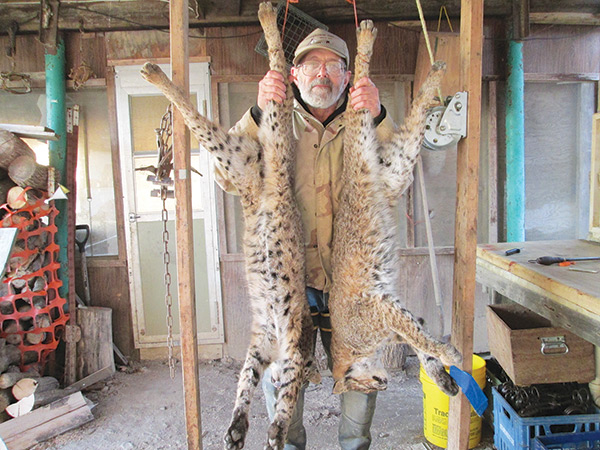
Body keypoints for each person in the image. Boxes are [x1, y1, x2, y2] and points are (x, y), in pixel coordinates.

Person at [215, 28, 396, 450]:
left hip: (351, 288)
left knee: (359, 384)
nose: (322, 74)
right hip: (288, 287)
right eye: (311, 65)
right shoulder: (272, 120)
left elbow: (393, 180)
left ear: (347, 76)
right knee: (282, 389)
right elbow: (227, 175)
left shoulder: (364, 121)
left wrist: (381, 117)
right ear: (293, 74)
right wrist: (259, 113)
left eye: (332, 65)